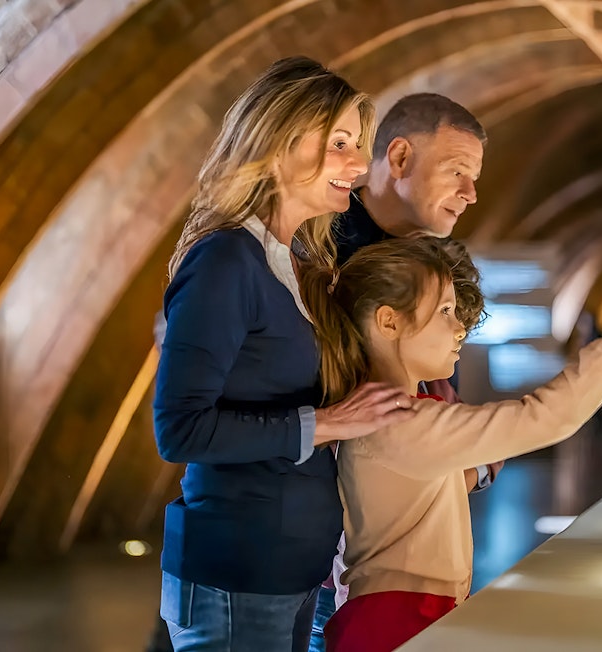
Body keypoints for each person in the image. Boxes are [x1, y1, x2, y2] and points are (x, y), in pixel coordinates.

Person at [152, 56, 416, 652]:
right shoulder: (224, 261)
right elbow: (180, 430)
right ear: (278, 144)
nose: (357, 165)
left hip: (290, 572)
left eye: (359, 145)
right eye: (340, 143)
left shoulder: (293, 264)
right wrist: (328, 423)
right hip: (236, 575)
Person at [299, 236, 602, 652]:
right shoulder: (400, 420)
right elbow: (544, 416)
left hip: (400, 617)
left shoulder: (395, 415)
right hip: (398, 624)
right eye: (444, 311)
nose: (460, 326)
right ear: (389, 322)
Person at [308, 92, 495, 651]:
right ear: (399, 157)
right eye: (457, 171)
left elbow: (440, 396)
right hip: (336, 556)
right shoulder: (318, 249)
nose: (471, 194)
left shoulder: (438, 260)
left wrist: (470, 465)